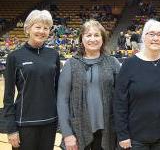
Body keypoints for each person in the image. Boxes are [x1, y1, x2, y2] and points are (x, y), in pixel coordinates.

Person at [113, 19, 160, 150]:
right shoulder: (129, 64)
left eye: (159, 34)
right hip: (135, 138)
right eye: (151, 34)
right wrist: (122, 135)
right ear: (143, 37)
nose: (155, 38)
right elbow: (119, 102)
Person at [57, 19, 121, 150]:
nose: (93, 39)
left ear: (103, 39)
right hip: (78, 130)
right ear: (82, 39)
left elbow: (122, 97)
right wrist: (67, 134)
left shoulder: (113, 63)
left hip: (107, 131)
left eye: (97, 35)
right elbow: (62, 101)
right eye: (88, 35)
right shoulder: (71, 64)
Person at [2, 10, 60, 150]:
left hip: (49, 122)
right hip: (24, 123)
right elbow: (8, 96)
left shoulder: (54, 55)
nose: (42, 31)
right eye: (38, 27)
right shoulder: (14, 57)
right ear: (28, 28)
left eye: (46, 28)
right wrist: (11, 128)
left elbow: (57, 90)